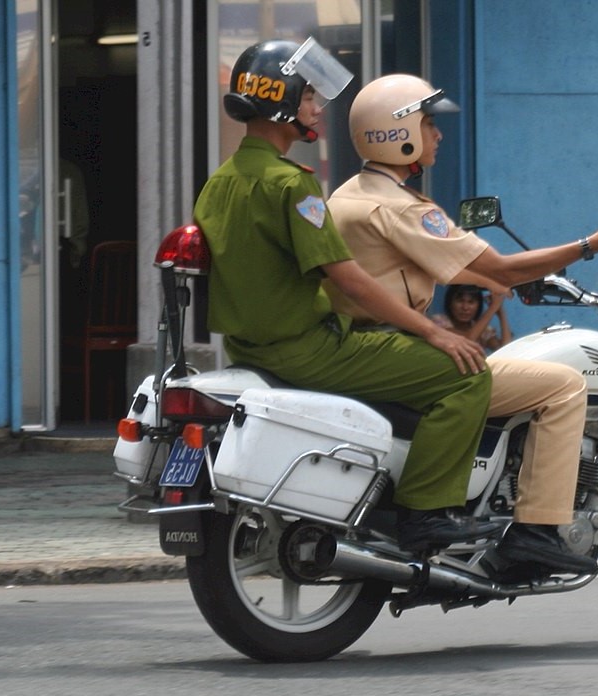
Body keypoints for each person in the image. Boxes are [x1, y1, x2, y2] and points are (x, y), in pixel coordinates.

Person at [325, 74, 598, 578]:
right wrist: (590, 245)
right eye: (428, 123)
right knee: (563, 386)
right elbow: (499, 269)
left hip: (361, 348)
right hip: (393, 351)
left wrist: (513, 278)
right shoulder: (403, 208)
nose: (438, 135)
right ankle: (535, 532)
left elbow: (468, 269)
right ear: (397, 132)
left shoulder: (348, 196)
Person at [192, 39, 503, 553]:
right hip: (310, 349)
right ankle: (425, 514)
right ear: (281, 101)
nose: (317, 107)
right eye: (309, 95)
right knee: (464, 374)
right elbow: (347, 277)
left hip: (247, 350)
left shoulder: (219, 183)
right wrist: (431, 329)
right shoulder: (290, 184)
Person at [433, 284, 512, 353]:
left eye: (471, 302)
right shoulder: (439, 322)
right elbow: (467, 340)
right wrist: (493, 307)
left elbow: (505, 351)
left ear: (478, 306)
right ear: (450, 303)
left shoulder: (483, 330)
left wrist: (501, 314)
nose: (465, 307)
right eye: (460, 301)